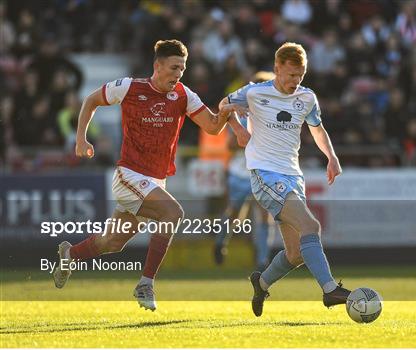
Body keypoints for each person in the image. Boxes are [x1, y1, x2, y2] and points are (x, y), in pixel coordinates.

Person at [53, 39, 245, 311]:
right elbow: (91, 99)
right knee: (173, 213)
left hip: (154, 181)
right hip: (129, 175)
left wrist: (228, 114)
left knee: (112, 242)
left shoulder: (183, 95)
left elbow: (212, 127)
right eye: (174, 67)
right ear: (158, 66)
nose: (178, 74)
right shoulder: (130, 87)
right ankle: (146, 283)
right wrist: (81, 140)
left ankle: (69, 254)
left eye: (183, 68)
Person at [221, 42, 350, 317]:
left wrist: (332, 157)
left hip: (293, 175)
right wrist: (237, 129)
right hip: (264, 174)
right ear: (277, 68)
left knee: (296, 253)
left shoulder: (307, 98)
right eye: (291, 74)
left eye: (300, 75)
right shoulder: (255, 93)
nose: (296, 81)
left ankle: (262, 283)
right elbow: (223, 105)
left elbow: (317, 129)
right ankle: (330, 291)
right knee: (310, 226)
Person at [214, 71, 276, 271]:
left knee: (264, 215)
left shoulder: (274, 116)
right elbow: (231, 144)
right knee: (234, 215)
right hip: (241, 173)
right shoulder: (242, 113)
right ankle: (221, 242)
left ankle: (262, 260)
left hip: (262, 173)